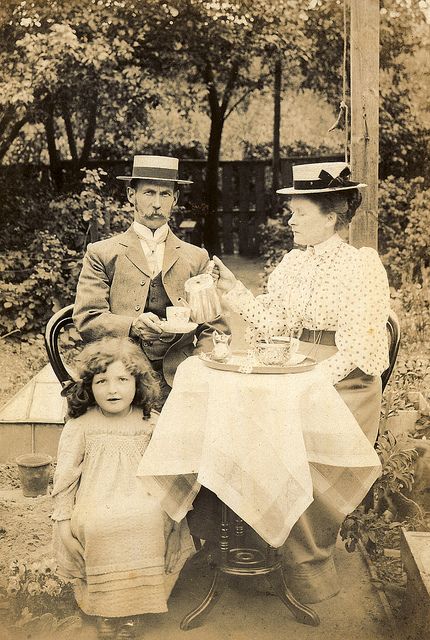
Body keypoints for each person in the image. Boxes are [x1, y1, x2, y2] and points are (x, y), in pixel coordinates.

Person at [211, 161, 391, 604]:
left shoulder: (361, 266)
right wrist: (234, 288)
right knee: (245, 429)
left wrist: (302, 385)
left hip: (346, 386)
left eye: (299, 212)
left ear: (331, 217)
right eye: (290, 211)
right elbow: (274, 322)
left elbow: (358, 353)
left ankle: (305, 568)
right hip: (298, 371)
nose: (289, 219)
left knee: (292, 444)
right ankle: (257, 547)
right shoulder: (294, 263)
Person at [52, 337, 194, 639]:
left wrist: (176, 519)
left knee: (147, 520)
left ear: (138, 383)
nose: (112, 389)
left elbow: (169, 474)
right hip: (95, 498)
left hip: (143, 498)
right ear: (89, 386)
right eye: (101, 381)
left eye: (122, 379)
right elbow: (64, 480)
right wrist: (64, 524)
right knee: (98, 524)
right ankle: (105, 609)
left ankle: (133, 609)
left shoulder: (149, 423)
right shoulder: (80, 426)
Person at [73, 154, 229, 405]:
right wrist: (132, 325)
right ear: (131, 195)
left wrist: (197, 370)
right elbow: (87, 318)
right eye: (148, 193)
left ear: (175, 199)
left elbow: (215, 327)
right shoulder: (102, 253)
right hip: (121, 377)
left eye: (165, 194)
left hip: (181, 377)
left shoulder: (195, 257)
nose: (156, 203)